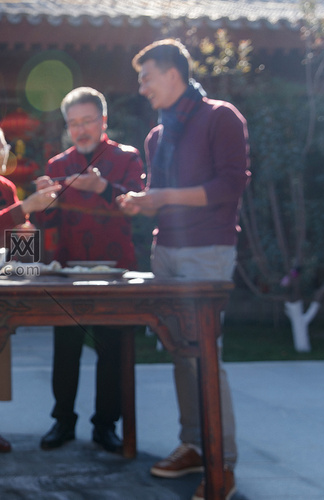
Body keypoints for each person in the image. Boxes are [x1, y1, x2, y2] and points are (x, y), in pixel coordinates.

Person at [119, 39, 250, 500]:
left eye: (146, 76)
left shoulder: (221, 116)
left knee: (205, 355)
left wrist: (161, 198)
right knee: (179, 351)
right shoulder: (157, 135)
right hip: (167, 251)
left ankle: (223, 463)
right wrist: (140, 203)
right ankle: (194, 444)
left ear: (173, 71)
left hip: (208, 250)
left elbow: (230, 185)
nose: (141, 87)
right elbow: (158, 196)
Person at [34, 87, 145, 454]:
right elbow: (45, 221)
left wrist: (104, 187)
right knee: (65, 348)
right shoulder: (57, 165)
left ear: (103, 121)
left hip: (114, 270)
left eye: (88, 121)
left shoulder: (127, 158)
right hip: (66, 270)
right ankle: (63, 421)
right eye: (74, 123)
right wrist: (40, 203)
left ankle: (106, 426)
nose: (81, 130)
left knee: (111, 348)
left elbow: (138, 207)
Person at [0, 122, 61, 453]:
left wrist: (29, 227)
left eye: (5, 147)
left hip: (0, 280)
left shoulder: (5, 186)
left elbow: (19, 227)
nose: (3, 155)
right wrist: (26, 208)